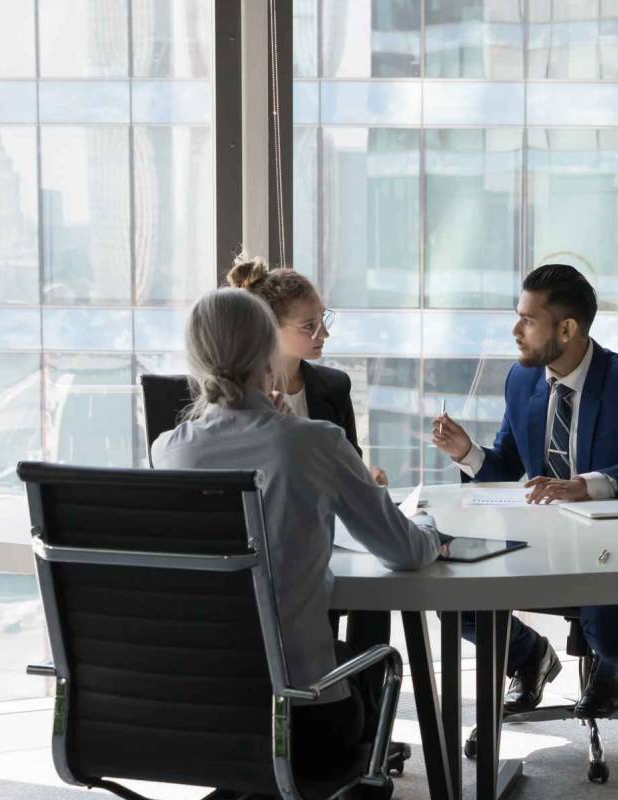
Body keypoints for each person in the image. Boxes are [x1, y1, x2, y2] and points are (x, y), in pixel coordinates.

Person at [150, 288, 441, 782]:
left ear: (196, 361)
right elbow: (406, 552)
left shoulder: (168, 450)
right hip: (302, 717)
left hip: (200, 717)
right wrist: (430, 528)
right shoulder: (314, 442)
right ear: (270, 353)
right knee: (364, 663)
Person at [430, 263, 618, 718]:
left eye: (528, 320)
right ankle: (530, 657)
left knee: (609, 629)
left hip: (609, 546)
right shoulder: (522, 378)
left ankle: (611, 663)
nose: (515, 330)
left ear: (567, 329)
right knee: (454, 599)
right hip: (538, 538)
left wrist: (584, 486)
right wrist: (467, 452)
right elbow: (509, 465)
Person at [227, 250, 388, 486]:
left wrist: (366, 480)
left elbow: (349, 468)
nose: (324, 333)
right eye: (309, 326)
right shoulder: (233, 394)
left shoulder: (335, 387)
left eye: (322, 319)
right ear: (269, 326)